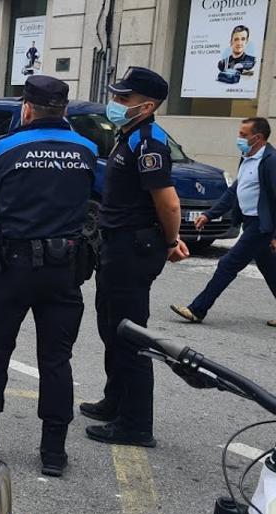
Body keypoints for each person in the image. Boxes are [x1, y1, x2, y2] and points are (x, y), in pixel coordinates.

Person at [0, 75, 97, 477]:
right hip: (64, 268)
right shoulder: (87, 149)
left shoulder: (5, 147)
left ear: (27, 108)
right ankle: (54, 451)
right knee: (56, 359)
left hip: (12, 266)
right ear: (65, 110)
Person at [81, 67, 190, 448]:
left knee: (131, 336)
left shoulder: (150, 143)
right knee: (111, 327)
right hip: (116, 245)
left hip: (132, 248)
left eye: (123, 99)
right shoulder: (129, 135)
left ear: (146, 106)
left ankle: (136, 424)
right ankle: (115, 400)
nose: (116, 103)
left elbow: (169, 201)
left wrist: (172, 240)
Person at [171, 117, 276, 326]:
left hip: (262, 225)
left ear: (258, 138)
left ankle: (197, 310)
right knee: (270, 268)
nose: (239, 138)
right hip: (250, 221)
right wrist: (209, 214)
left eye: (243, 135)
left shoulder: (271, 161)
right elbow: (234, 191)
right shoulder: (247, 157)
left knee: (228, 264)